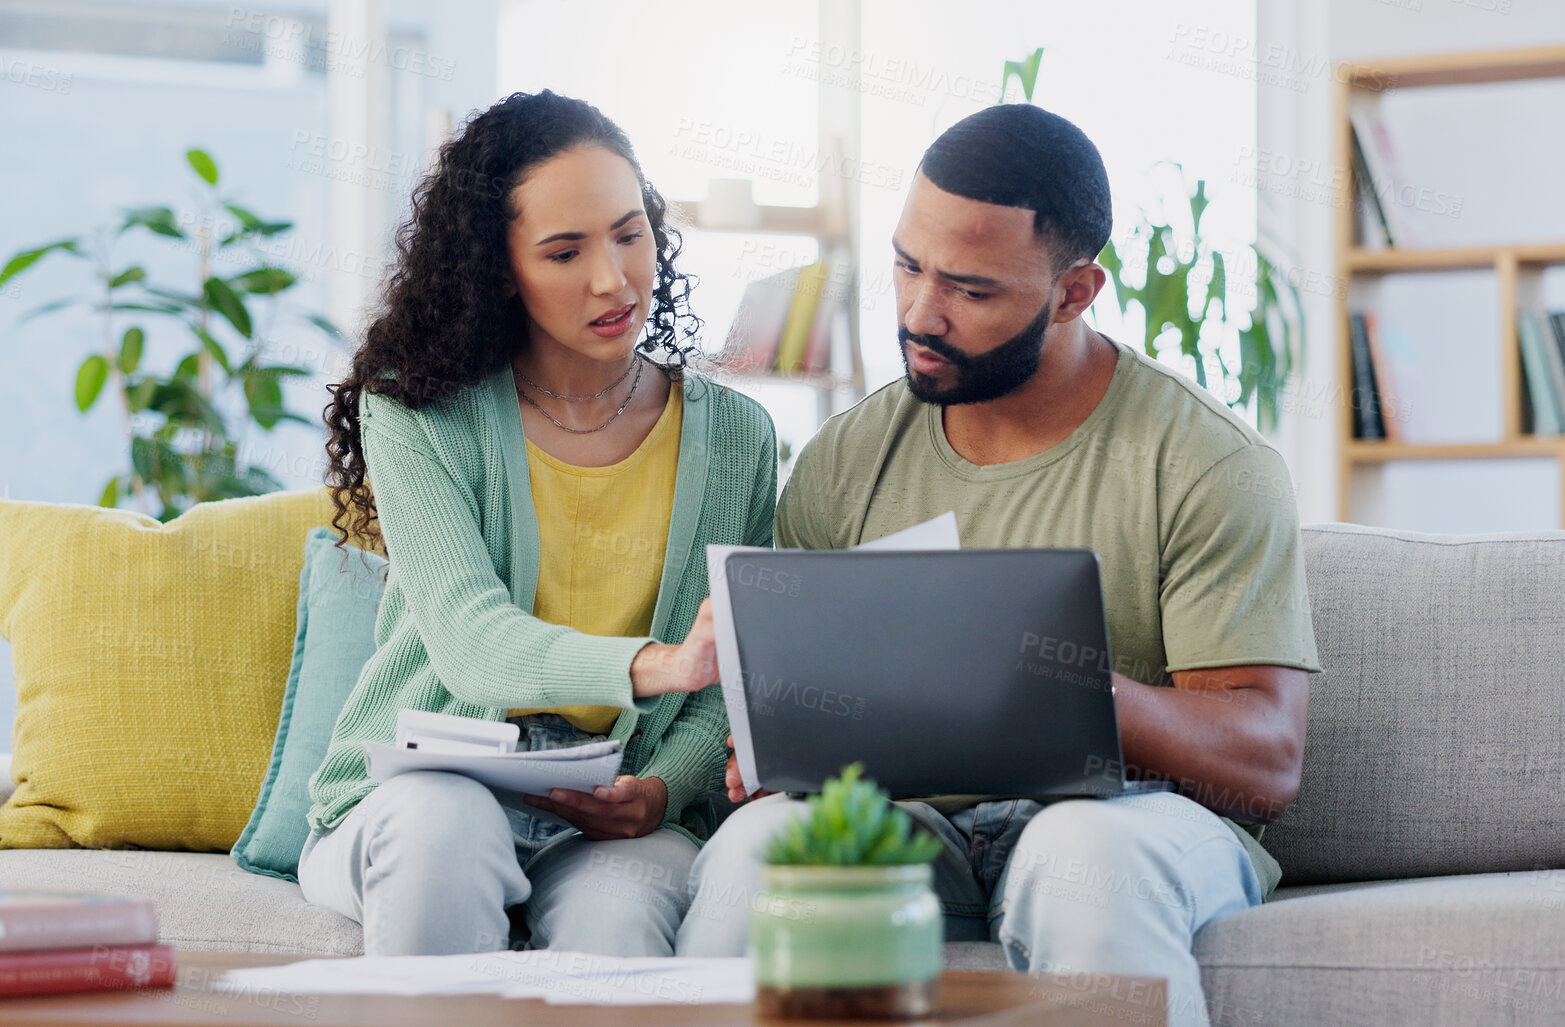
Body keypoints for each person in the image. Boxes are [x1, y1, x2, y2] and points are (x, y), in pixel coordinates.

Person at [673, 103, 1321, 1027]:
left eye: (972, 291)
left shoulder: (1204, 461)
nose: (918, 313)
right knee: (764, 848)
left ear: (1073, 291)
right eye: (906, 265)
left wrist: (1051, 685)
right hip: (909, 823)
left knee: (1080, 852)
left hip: (1124, 822)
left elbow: (1264, 762)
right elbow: (793, 709)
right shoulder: (847, 456)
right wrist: (775, 748)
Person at [299, 90, 775, 958]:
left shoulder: (737, 435)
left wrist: (663, 788)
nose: (613, 278)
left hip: (609, 805)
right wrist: (657, 662)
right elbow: (470, 640)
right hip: (423, 785)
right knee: (444, 825)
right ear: (497, 269)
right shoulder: (420, 412)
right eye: (565, 252)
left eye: (630, 234)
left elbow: (728, 684)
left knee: (621, 914)